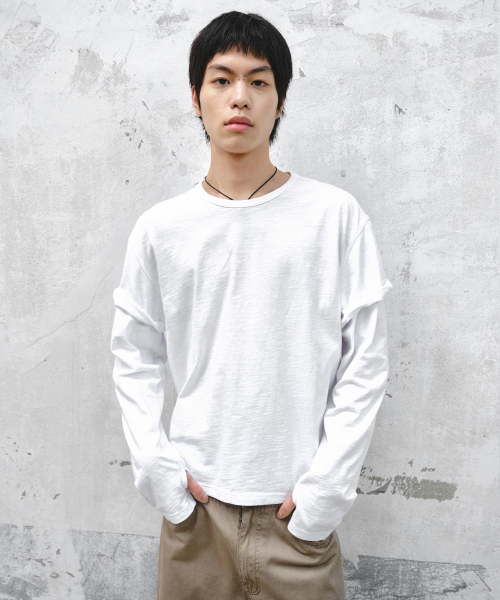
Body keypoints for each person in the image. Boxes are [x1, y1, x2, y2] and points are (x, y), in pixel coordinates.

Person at [110, 10, 393, 600]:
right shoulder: (161, 228)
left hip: (298, 521)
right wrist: (160, 476)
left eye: (258, 81)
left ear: (280, 100)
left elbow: (364, 363)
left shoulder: (334, 216)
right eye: (222, 79)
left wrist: (324, 495)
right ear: (196, 97)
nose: (239, 97)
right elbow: (133, 356)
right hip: (196, 515)